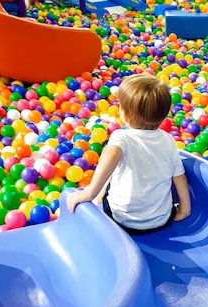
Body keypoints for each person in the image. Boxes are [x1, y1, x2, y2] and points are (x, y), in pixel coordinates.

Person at [66, 74, 191, 234]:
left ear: (125, 115)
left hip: (121, 220)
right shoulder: (169, 141)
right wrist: (184, 210)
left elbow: (110, 156)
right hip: (161, 220)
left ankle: (98, 200)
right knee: (120, 165)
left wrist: (89, 193)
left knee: (112, 170)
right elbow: (180, 178)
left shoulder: (121, 137)